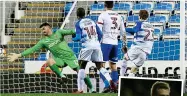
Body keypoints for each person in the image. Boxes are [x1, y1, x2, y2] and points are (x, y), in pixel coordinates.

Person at [8, 22, 79, 83]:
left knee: (80, 72)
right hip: (59, 59)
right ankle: (63, 77)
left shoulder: (59, 32)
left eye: (43, 29)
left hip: (70, 56)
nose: (42, 31)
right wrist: (18, 55)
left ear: (49, 27)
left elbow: (72, 31)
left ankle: (90, 89)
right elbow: (32, 49)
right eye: (41, 30)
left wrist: (76, 34)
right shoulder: (43, 41)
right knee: (49, 61)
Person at [73, 7, 116, 93]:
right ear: (85, 14)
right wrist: (97, 42)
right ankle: (110, 80)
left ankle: (80, 89)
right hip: (96, 45)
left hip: (86, 46)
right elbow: (100, 33)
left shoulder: (78, 23)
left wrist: (73, 38)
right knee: (100, 67)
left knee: (81, 67)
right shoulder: (92, 21)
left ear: (77, 15)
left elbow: (77, 38)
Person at [97, 1, 126, 92]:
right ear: (113, 6)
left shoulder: (103, 15)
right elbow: (123, 32)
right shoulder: (119, 16)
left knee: (100, 65)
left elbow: (99, 31)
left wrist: (97, 43)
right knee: (113, 65)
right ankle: (116, 85)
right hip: (115, 43)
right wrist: (125, 45)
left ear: (105, 5)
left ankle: (107, 84)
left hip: (105, 42)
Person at [120, 10, 154, 77]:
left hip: (137, 48)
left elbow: (134, 30)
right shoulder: (151, 26)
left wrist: (123, 28)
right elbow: (136, 32)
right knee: (134, 69)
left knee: (125, 58)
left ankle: (121, 77)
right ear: (147, 17)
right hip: (146, 52)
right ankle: (128, 81)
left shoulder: (139, 23)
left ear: (139, 16)